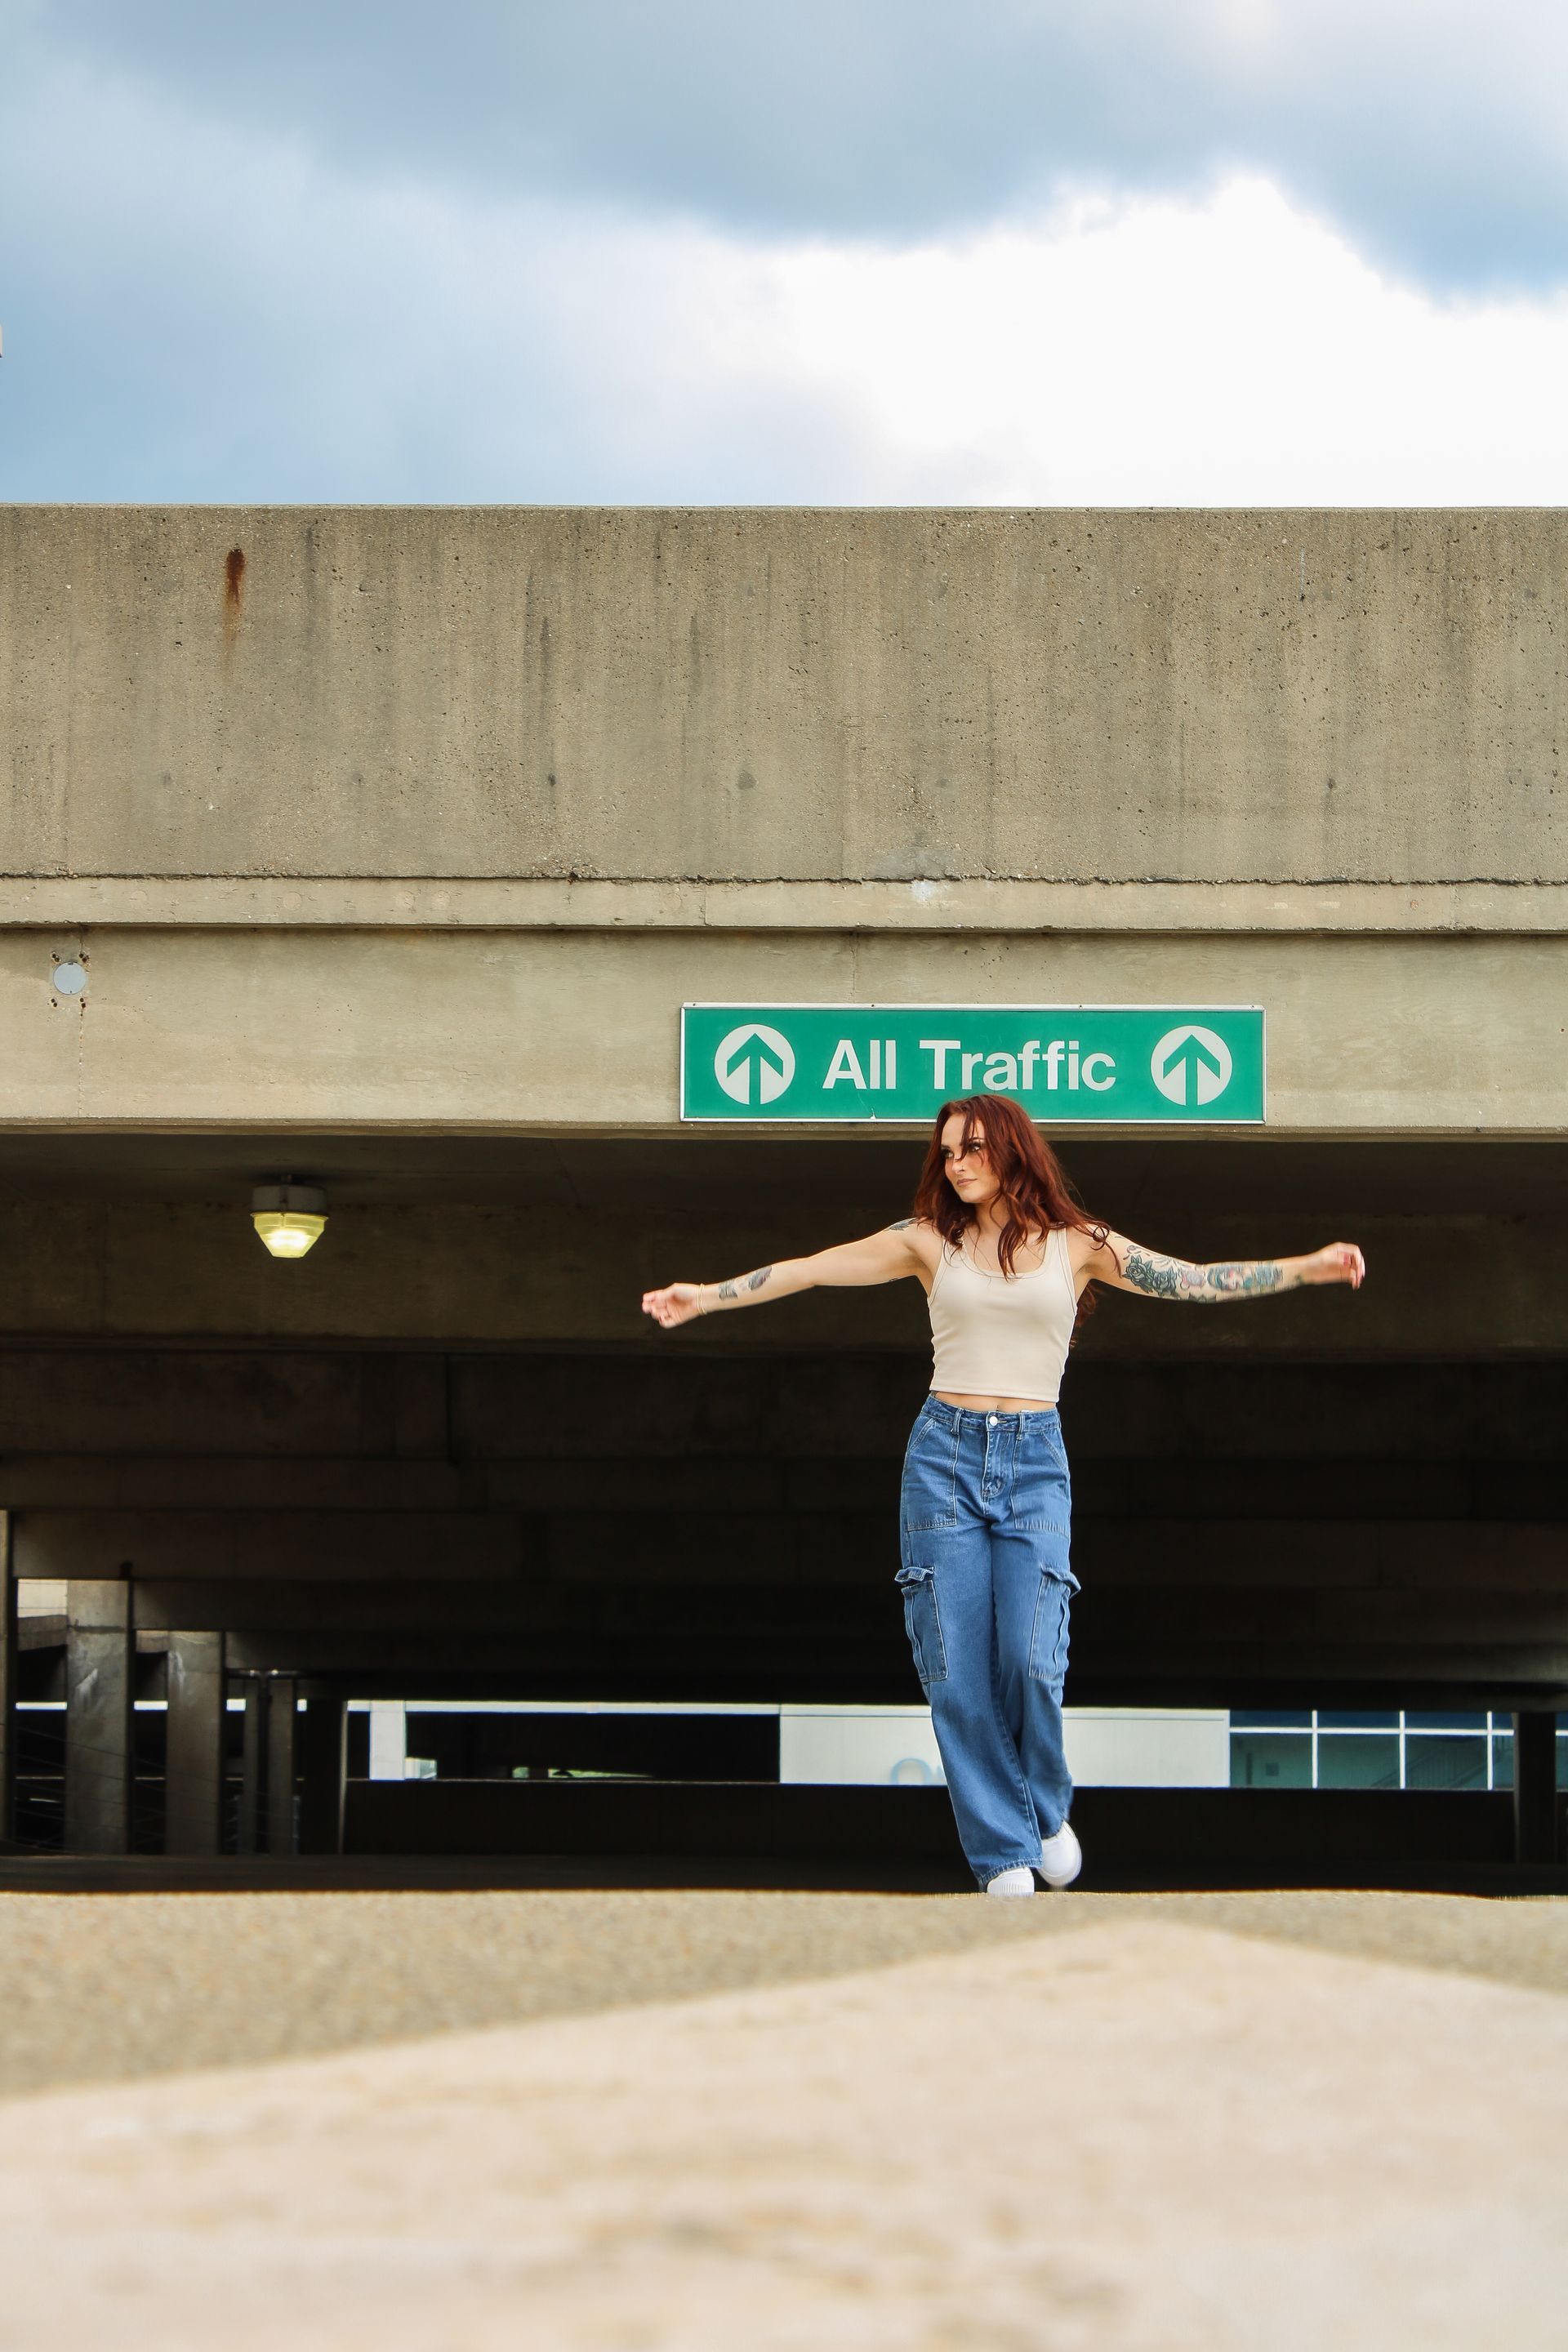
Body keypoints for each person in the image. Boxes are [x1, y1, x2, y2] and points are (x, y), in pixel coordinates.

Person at [641, 1094, 1365, 1898]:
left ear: (1015, 1152)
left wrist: (1307, 1267)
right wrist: (705, 1295)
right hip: (943, 1457)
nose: (958, 1164)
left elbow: (1191, 1281)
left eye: (975, 1148)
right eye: (948, 1151)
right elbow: (812, 1268)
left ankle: (1042, 1812)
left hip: (1032, 1462)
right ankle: (1001, 1857)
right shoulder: (925, 1242)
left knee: (1027, 1659)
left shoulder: (1079, 1245)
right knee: (955, 1673)